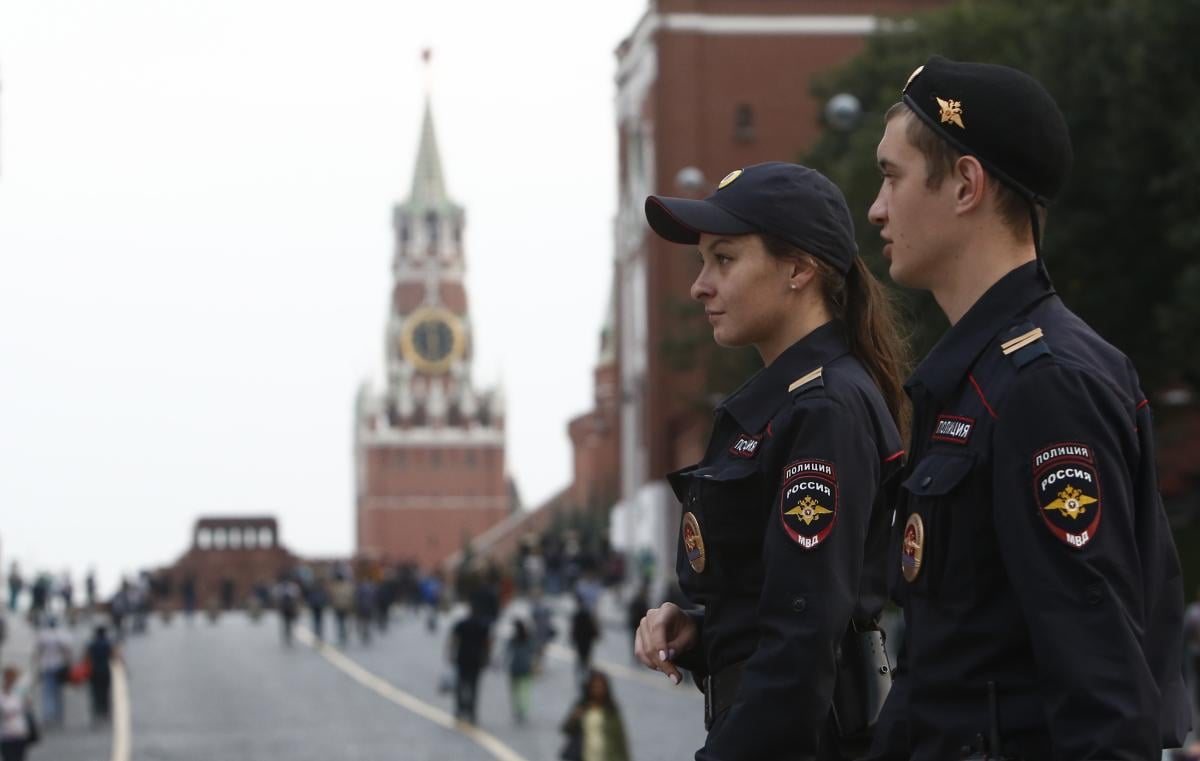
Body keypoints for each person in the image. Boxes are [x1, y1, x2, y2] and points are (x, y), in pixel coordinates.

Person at [864, 56, 1190, 760]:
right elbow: (944, 668)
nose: (877, 209)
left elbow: (1103, 691)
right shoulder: (975, 378)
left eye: (892, 177)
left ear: (965, 184)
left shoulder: (1045, 385)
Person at [634, 161, 908, 760]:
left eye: (724, 260)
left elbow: (803, 642)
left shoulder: (823, 409)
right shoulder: (785, 404)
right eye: (703, 261)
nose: (700, 286)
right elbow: (780, 603)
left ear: (799, 269)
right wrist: (703, 633)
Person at [560, 670, 630, 761]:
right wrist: (575, 718)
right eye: (594, 687)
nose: (597, 690)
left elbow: (620, 738)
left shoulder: (611, 710)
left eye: (600, 687)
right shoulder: (582, 706)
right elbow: (566, 729)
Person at [448, 599, 492, 724]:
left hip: (463, 658)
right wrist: (487, 656)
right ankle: (471, 710)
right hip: (476, 659)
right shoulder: (483, 625)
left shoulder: (462, 624)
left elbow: (454, 639)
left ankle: (460, 708)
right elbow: (487, 643)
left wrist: (451, 654)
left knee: (461, 685)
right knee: (474, 686)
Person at [34, 616, 71, 728]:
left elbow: (38, 652)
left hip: (47, 666)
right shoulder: (61, 635)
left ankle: (48, 716)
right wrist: (69, 664)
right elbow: (67, 652)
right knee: (58, 693)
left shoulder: (43, 635)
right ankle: (59, 716)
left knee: (47, 693)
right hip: (59, 666)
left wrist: (36, 667)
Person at [84, 624, 118, 725]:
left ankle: (96, 711)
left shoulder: (91, 644)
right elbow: (114, 656)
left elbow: (86, 657)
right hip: (105, 670)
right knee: (105, 692)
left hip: (94, 671)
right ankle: (105, 711)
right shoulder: (108, 643)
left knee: (95, 692)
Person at [0, 667, 34, 761]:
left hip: (17, 732)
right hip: (9, 733)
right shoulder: (5, 693)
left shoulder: (20, 692)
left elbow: (28, 706)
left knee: (16, 757)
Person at [506, 619, 536, 724]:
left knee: (515, 690)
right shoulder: (528, 639)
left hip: (515, 667)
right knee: (525, 689)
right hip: (525, 666)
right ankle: (523, 708)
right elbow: (533, 651)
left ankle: (517, 707)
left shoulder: (513, 639)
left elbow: (507, 652)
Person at [569, 595, 600, 684]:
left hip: (581, 639)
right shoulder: (587, 614)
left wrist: (572, 638)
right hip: (586, 639)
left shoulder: (578, 614)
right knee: (586, 657)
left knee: (581, 657)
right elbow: (591, 627)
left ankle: (582, 673)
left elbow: (574, 628)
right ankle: (585, 673)